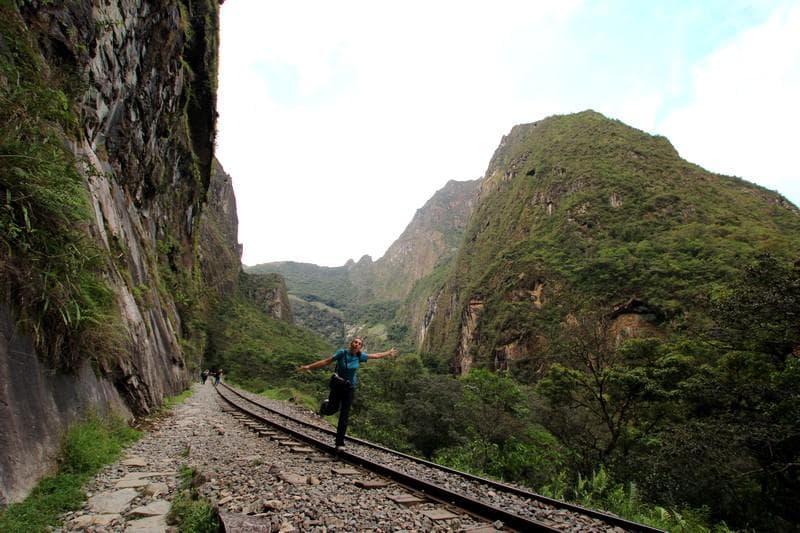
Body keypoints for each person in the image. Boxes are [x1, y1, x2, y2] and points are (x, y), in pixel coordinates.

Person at [299, 337, 398, 450]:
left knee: (344, 415)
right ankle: (325, 406)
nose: (357, 344)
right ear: (351, 343)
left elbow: (375, 355)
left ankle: (339, 443)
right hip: (338, 386)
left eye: (359, 344)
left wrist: (388, 353)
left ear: (361, 347)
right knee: (332, 409)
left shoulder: (360, 356)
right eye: (355, 342)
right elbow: (327, 361)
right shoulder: (342, 353)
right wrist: (309, 367)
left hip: (349, 388)